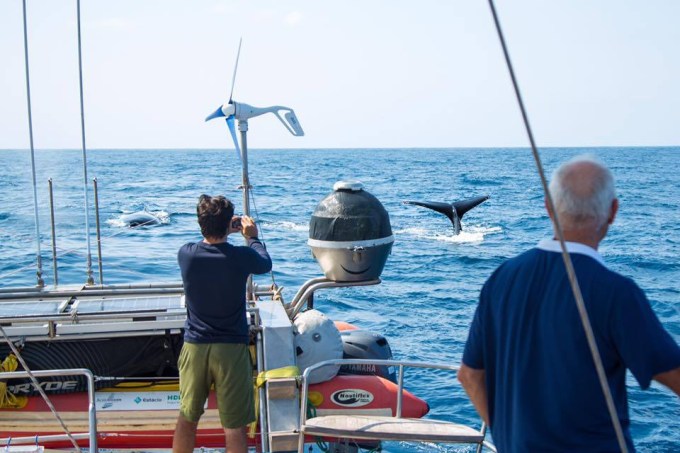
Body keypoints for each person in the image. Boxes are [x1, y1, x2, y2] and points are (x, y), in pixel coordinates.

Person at [458, 155, 680, 452]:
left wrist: (508, 438)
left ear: (549, 208)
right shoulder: (616, 293)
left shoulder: (502, 279)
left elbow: (469, 375)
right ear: (613, 211)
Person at [172, 194, 272, 453]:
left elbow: (209, 244)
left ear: (200, 223)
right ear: (230, 224)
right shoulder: (241, 257)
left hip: (195, 347)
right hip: (231, 349)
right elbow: (264, 262)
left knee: (188, 416)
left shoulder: (187, 255)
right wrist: (251, 236)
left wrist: (223, 226)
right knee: (235, 425)